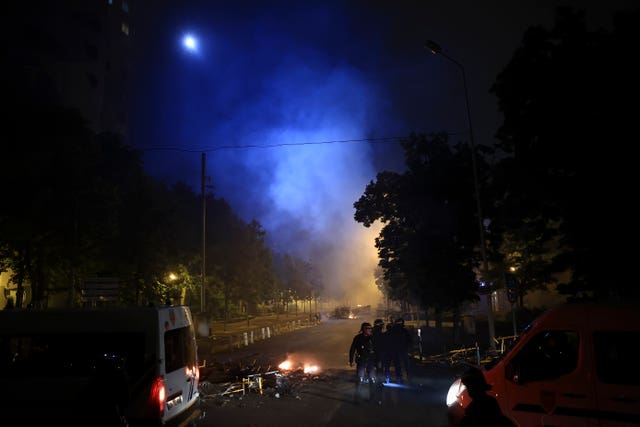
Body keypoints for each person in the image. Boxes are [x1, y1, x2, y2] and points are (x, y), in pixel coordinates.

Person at [348, 321, 376, 403]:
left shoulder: (373, 338)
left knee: (372, 380)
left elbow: (378, 349)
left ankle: (372, 398)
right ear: (363, 329)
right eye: (367, 329)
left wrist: (379, 361)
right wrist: (351, 360)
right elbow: (352, 349)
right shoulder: (358, 338)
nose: (369, 330)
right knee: (360, 380)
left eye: (370, 328)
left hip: (371, 361)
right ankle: (357, 399)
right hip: (361, 361)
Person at [387, 317, 412, 384]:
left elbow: (409, 340)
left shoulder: (397, 330)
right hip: (401, 350)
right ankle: (406, 378)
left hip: (399, 350)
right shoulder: (404, 331)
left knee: (399, 365)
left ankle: (400, 378)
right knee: (403, 365)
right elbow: (409, 341)